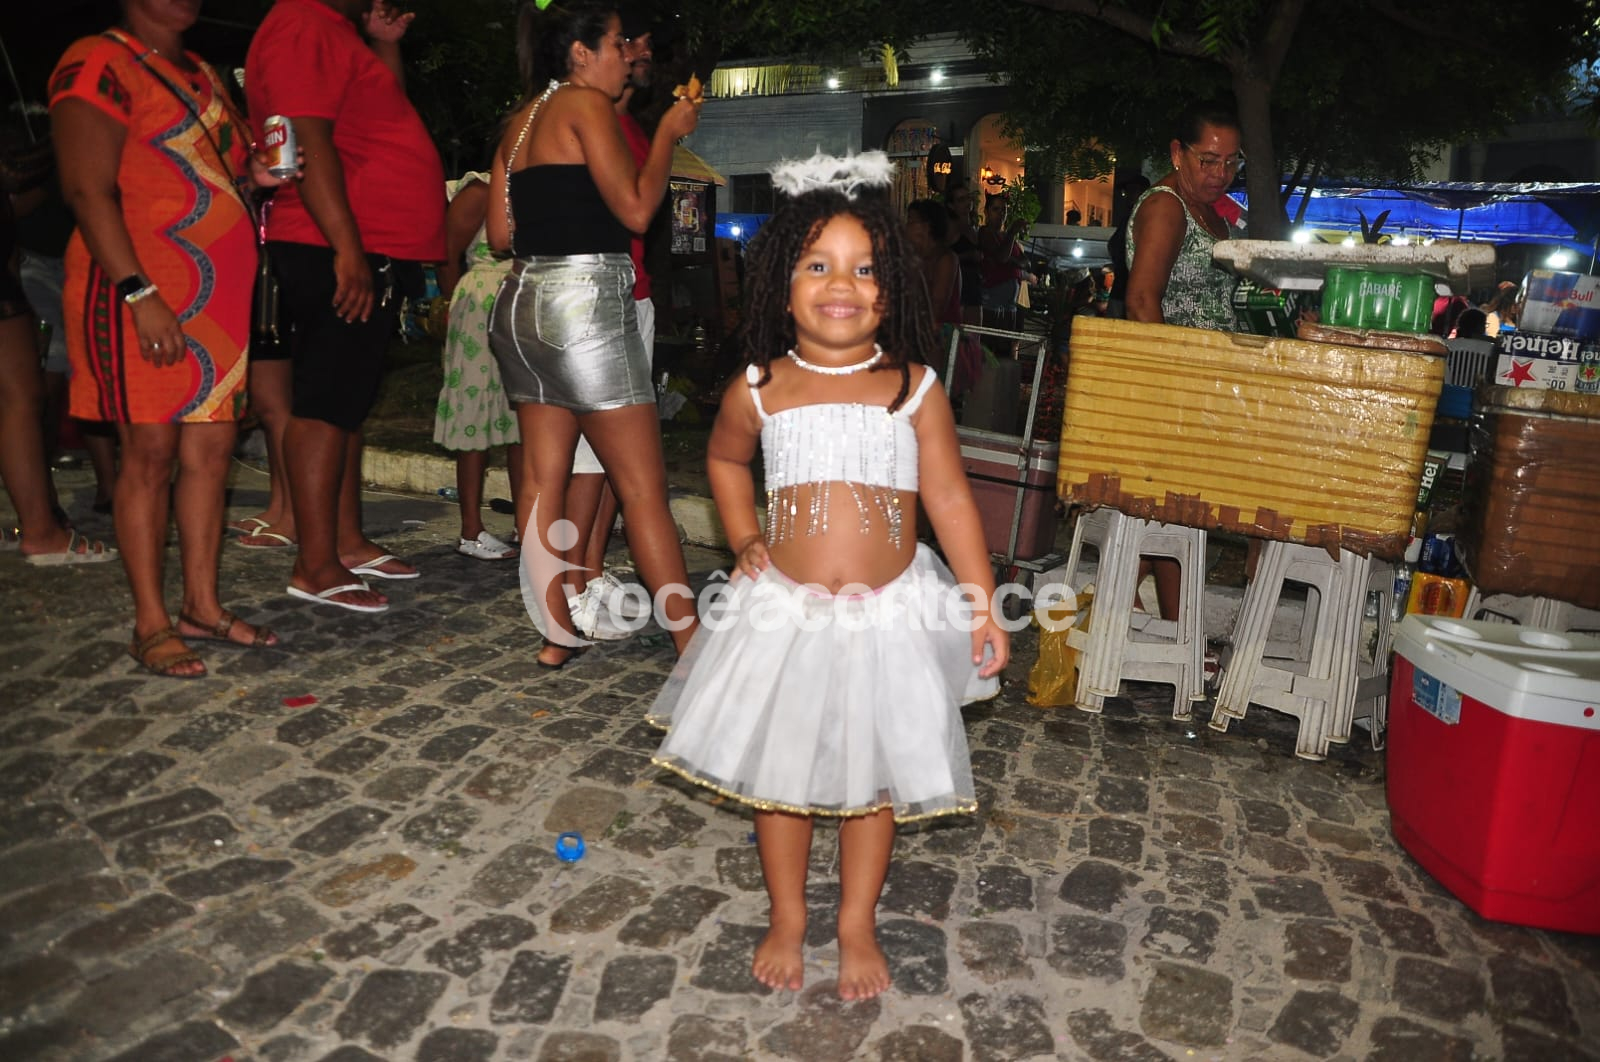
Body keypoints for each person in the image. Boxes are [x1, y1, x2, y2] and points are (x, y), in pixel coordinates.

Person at [648, 152, 1009, 1001]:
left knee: (872, 779)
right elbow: (725, 461)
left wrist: (981, 602)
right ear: (781, 286)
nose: (840, 284)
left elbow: (950, 500)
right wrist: (743, 534)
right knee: (783, 779)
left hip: (891, 617)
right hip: (786, 617)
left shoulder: (914, 390)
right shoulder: (760, 388)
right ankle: (787, 916)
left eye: (864, 268)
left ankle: (855, 921)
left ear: (893, 289)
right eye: (817, 266)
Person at [50, 0, 291, 674]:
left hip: (216, 302)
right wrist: (139, 293)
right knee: (150, 454)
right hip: (139, 289)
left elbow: (217, 170)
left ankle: (202, 607)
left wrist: (257, 177)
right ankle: (150, 623)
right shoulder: (98, 61)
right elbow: (86, 190)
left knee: (210, 452)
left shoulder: (204, 74)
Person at [486, 1, 701, 667]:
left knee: (540, 480)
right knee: (641, 488)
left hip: (522, 304)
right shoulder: (584, 104)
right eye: (614, 43)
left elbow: (499, 235)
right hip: (585, 304)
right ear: (580, 52)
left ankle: (557, 632)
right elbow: (636, 209)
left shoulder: (520, 122)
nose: (625, 57)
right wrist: (667, 136)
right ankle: (694, 647)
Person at [246, 0, 447, 613]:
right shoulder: (303, 23)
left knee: (346, 404)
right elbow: (306, 138)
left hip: (359, 239)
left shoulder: (334, 30)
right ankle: (314, 564)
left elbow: (381, 116)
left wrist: (383, 42)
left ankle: (345, 542)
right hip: (333, 241)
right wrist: (347, 247)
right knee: (325, 405)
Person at [1125, 104, 1243, 619]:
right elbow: (1141, 301)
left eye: (1231, 162)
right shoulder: (1166, 207)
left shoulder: (1209, 211)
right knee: (1178, 514)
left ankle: (1140, 617)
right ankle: (1172, 629)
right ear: (1178, 152)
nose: (1221, 173)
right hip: (1174, 390)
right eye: (1208, 160)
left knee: (1177, 516)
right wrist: (1171, 389)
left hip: (1202, 390)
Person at [433, 171, 521, 562]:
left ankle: (526, 523)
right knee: (474, 416)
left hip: (522, 303)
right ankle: (471, 531)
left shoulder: (535, 186)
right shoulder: (481, 189)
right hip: (479, 306)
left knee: (524, 421)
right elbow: (445, 252)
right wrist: (452, 305)